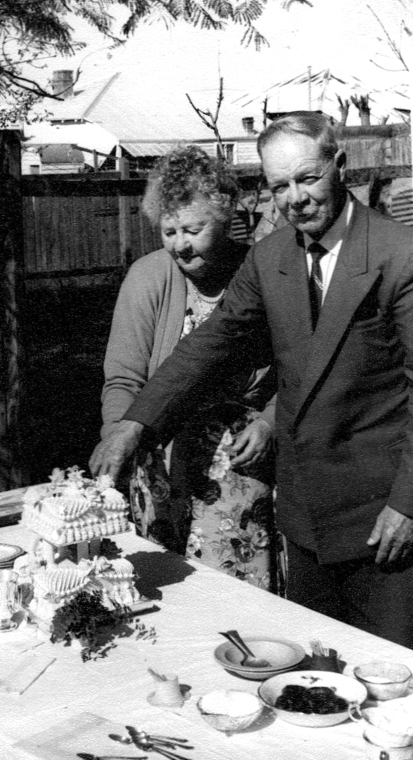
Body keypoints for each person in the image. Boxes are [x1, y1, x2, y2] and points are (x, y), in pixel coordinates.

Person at [93, 112, 413, 647]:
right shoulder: (271, 258)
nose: (296, 199)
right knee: (315, 671)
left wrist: (407, 505)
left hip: (383, 519)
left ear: (339, 165)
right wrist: (133, 424)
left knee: (394, 677)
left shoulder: (398, 253)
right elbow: (209, 343)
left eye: (307, 178)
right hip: (305, 522)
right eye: (279, 186)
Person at [90, 145, 281, 591]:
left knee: (236, 595)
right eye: (169, 231)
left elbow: (295, 369)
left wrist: (270, 422)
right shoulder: (147, 277)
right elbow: (124, 377)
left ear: (224, 219)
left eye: (194, 230)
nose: (180, 244)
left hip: (238, 465)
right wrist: (118, 438)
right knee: (165, 590)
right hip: (159, 459)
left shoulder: (261, 274)